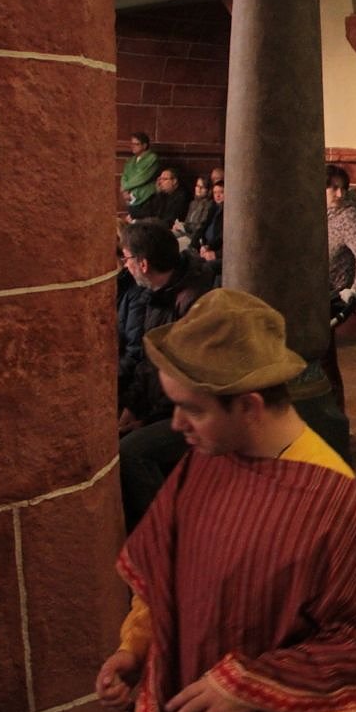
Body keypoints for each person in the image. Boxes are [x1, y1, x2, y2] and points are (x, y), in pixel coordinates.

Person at [96, 289, 356, 712]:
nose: (176, 424)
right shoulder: (209, 455)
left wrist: (253, 685)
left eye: (192, 409)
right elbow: (166, 568)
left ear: (249, 406)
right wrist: (135, 646)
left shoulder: (331, 502)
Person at [117, 220, 216, 530]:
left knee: (131, 453)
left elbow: (186, 375)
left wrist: (146, 418)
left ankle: (166, 534)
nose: (125, 266)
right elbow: (150, 361)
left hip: (196, 413)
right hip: (164, 406)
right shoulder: (159, 292)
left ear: (143, 264)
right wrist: (133, 407)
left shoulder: (190, 302)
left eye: (126, 258)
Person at [325, 164, 356, 412]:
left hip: (333, 297)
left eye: (343, 188)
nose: (340, 194)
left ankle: (335, 416)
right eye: (333, 188)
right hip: (316, 293)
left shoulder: (347, 216)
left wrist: (355, 291)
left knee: (324, 361)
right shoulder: (322, 213)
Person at [121, 132, 160, 214]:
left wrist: (125, 187)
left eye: (136, 144)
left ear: (144, 145)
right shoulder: (131, 160)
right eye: (132, 144)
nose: (133, 146)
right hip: (130, 196)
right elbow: (125, 176)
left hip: (146, 196)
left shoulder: (152, 158)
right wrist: (124, 191)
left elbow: (142, 177)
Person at [174, 174, 215, 242]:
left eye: (202, 187)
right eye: (197, 186)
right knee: (167, 235)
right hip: (185, 232)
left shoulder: (209, 205)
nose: (199, 189)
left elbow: (201, 226)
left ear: (208, 190)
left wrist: (185, 227)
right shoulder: (193, 203)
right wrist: (180, 225)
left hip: (195, 237)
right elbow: (187, 222)